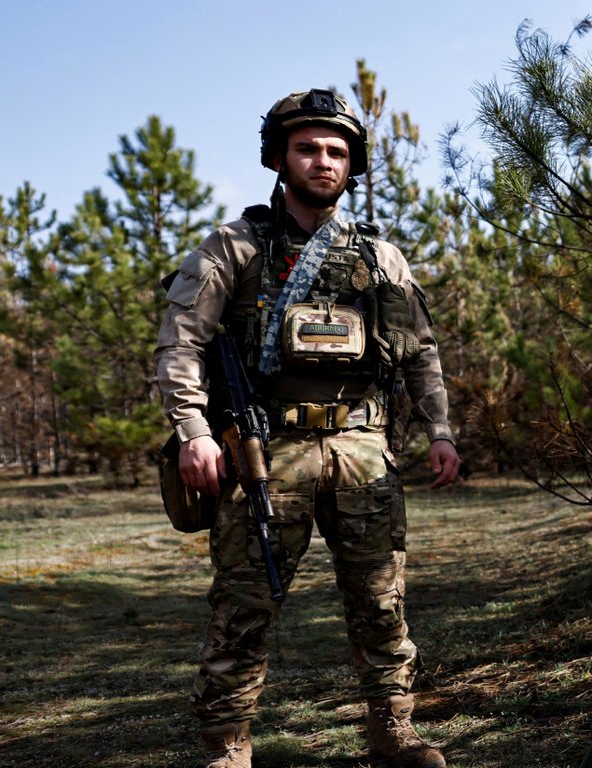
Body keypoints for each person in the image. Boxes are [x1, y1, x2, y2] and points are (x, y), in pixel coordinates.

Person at [155, 88, 460, 768]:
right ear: (278, 157)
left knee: (381, 602)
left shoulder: (383, 258)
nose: (323, 162)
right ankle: (227, 744)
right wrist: (195, 431)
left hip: (361, 449)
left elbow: (423, 353)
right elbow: (179, 344)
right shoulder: (232, 249)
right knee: (244, 606)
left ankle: (393, 731)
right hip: (266, 450)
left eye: (337, 151)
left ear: (352, 165)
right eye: (308, 148)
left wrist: (440, 429)